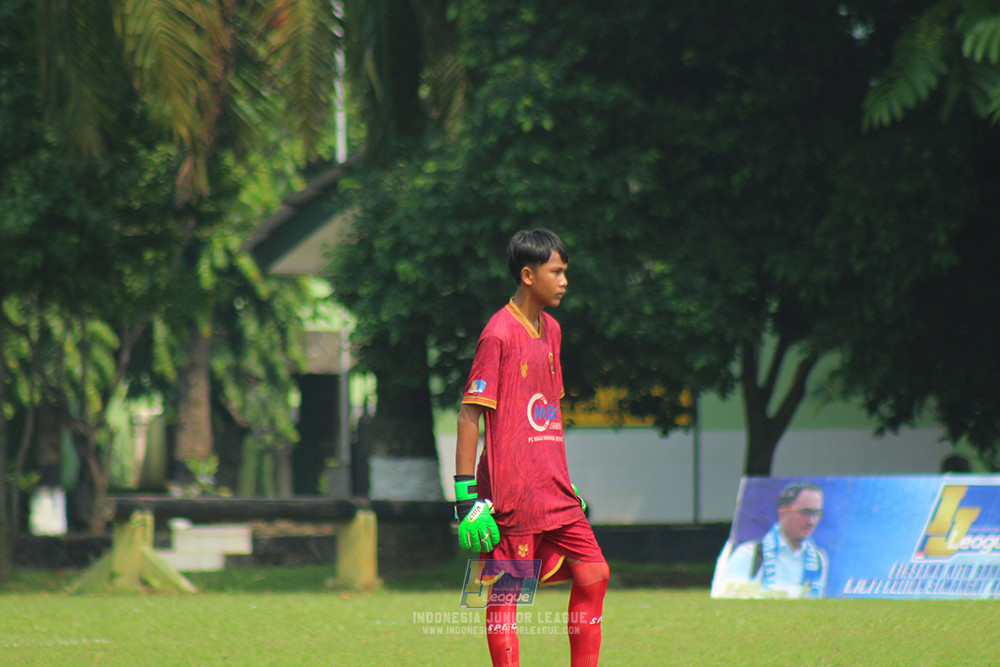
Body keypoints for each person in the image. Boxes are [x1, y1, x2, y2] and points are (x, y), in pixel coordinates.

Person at [454, 229, 609, 667]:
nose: (564, 281)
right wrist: (467, 499)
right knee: (507, 592)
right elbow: (469, 417)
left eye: (565, 272)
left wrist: (561, 475)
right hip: (511, 492)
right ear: (528, 274)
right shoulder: (498, 334)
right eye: (556, 272)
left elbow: (545, 414)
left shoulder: (553, 330)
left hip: (552, 488)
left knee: (595, 572)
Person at [720, 481, 828, 598]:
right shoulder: (748, 555)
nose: (811, 520)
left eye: (817, 513)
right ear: (783, 513)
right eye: (805, 512)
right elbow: (727, 598)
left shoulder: (818, 560)